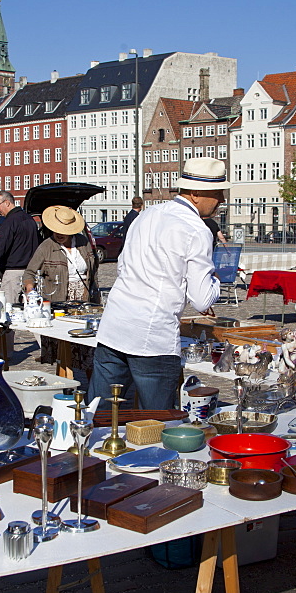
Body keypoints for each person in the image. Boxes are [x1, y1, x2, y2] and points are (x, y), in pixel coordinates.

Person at [88, 157, 225, 410]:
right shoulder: (196, 229)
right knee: (155, 419)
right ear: (196, 194)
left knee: (98, 413)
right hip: (152, 334)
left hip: (115, 323)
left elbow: (122, 266)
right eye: (217, 193)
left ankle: (85, 447)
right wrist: (215, 281)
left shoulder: (148, 214)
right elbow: (202, 299)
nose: (222, 200)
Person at [23, 206, 96, 303]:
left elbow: (93, 271)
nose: (59, 234)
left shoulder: (82, 242)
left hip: (84, 298)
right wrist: (30, 290)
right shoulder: (46, 246)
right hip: (57, 301)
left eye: (63, 231)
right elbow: (30, 273)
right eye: (56, 230)